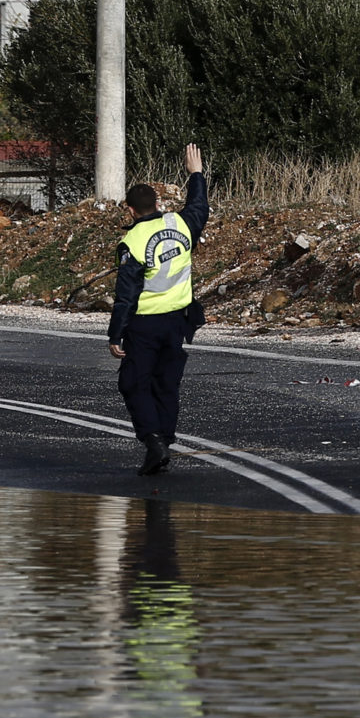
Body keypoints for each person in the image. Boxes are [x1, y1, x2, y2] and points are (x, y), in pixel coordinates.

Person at [108, 144, 207, 475]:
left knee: (134, 383)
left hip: (144, 325)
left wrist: (115, 334)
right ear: (157, 203)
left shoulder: (133, 242)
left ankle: (154, 441)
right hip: (178, 322)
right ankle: (163, 440)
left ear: (130, 210)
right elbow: (199, 206)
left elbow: (126, 295)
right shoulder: (180, 224)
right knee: (166, 382)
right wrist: (196, 173)